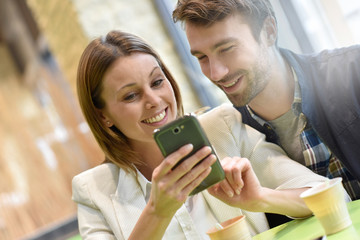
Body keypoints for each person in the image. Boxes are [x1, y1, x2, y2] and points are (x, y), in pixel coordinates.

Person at [72, 30, 329, 240]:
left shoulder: (222, 127)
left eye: (157, 82)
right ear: (103, 116)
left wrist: (261, 198)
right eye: (130, 96)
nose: (153, 100)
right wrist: (157, 212)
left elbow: (328, 196)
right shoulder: (93, 191)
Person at [172, 0, 360, 200]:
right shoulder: (233, 135)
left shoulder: (353, 70)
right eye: (202, 57)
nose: (216, 73)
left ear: (269, 32)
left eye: (227, 49)